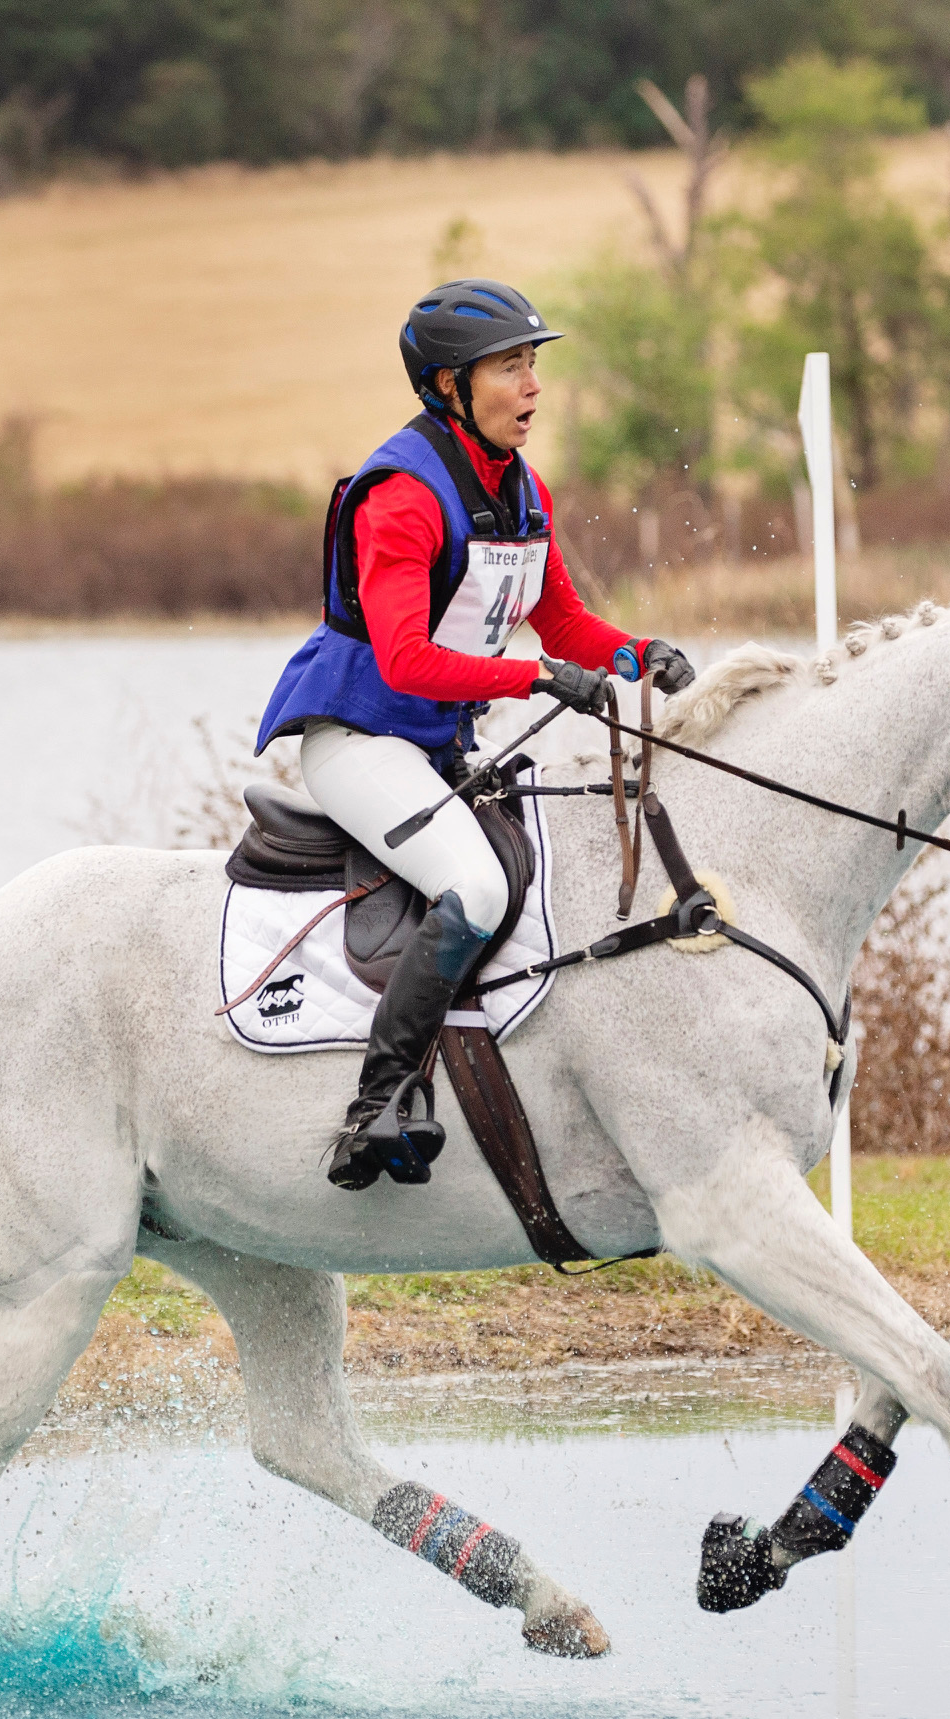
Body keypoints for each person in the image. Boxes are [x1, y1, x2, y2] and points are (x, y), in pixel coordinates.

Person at [256, 278, 696, 1191]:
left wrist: (638, 653)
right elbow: (408, 659)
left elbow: (568, 630)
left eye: (534, 364)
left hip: (436, 746)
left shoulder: (518, 486)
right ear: (450, 386)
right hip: (360, 737)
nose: (533, 386)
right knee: (478, 885)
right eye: (510, 367)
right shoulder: (402, 498)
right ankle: (375, 1106)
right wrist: (533, 676)